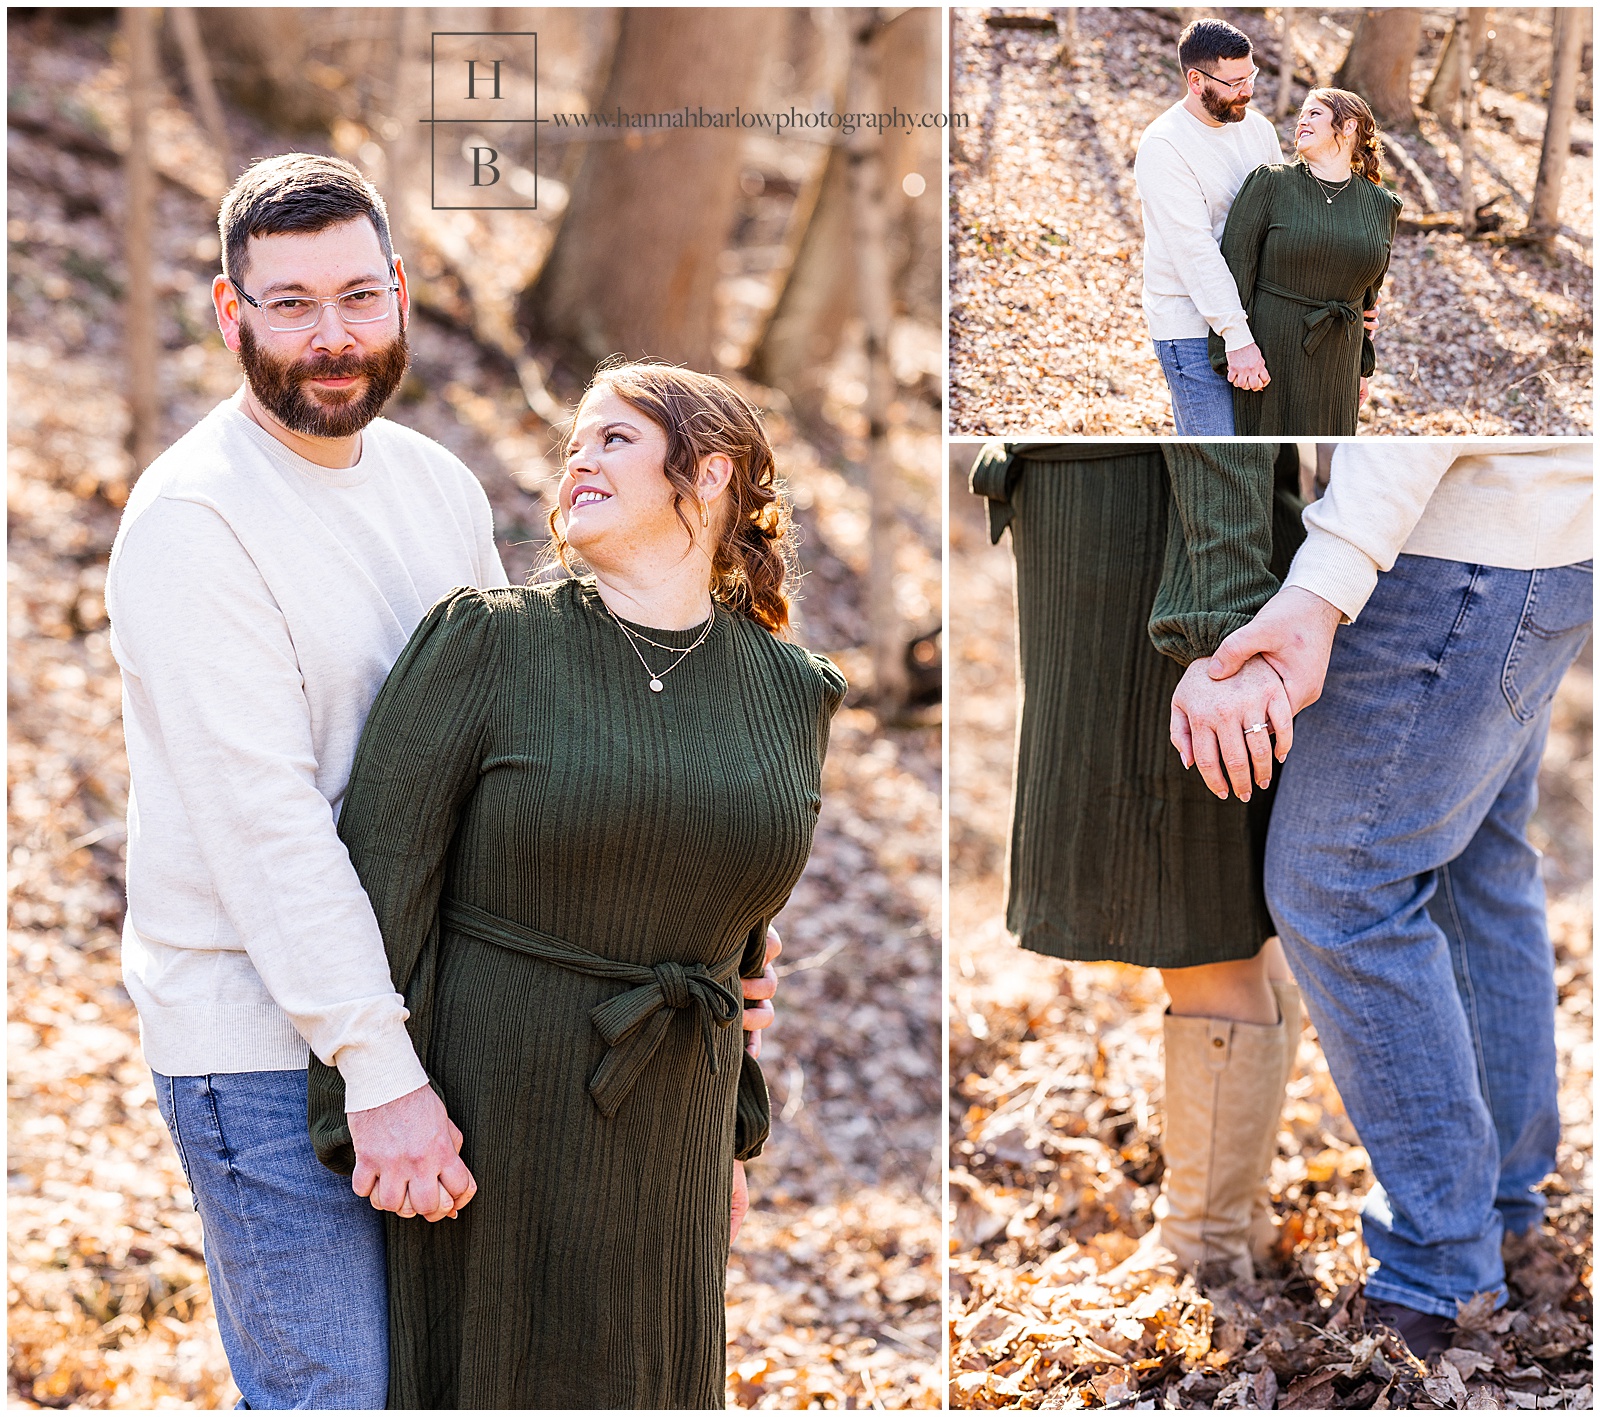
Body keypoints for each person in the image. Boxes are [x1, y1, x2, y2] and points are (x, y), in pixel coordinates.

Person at [105, 156, 779, 1409]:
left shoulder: (433, 486)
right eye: (290, 303)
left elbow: (525, 754)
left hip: (436, 1025)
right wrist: (381, 1073)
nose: (331, 338)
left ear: (403, 294)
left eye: (358, 297)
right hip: (261, 1036)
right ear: (227, 311)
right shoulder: (196, 521)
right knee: (340, 1395)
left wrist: (689, 939)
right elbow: (268, 834)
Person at [306, 362, 846, 1409]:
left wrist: (733, 1131)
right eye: (573, 445)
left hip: (674, 1123)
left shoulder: (792, 692)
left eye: (612, 439)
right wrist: (366, 1103)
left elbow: (737, 931)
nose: (578, 458)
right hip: (488, 1111)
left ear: (712, 471)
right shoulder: (489, 641)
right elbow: (380, 886)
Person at [1194, 443, 1592, 1358]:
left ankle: (1443, 1266)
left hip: (1450, 556)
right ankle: (1503, 1202)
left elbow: (1423, 404)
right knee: (1475, 862)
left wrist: (1323, 579)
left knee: (1340, 883)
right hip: (1550, 535)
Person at [969, 442, 1307, 1283]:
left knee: (1200, 915)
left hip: (1155, 551)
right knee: (1215, 907)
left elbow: (1203, 419)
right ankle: (1237, 1217)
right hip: (1122, 544)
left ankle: (1206, 1243)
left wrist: (1217, 616)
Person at [1208, 90, 1402, 434]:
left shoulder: (1382, 205)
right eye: (1302, 114)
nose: (1302, 120)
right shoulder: (1271, 183)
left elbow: (1368, 296)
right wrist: (1233, 351)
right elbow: (1234, 271)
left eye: (1314, 113)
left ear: (1348, 125)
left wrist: (1361, 368)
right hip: (1269, 355)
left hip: (1339, 363)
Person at [1134, 18, 1283, 435]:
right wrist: (1236, 337)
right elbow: (1194, 251)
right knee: (1218, 453)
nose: (1247, 91)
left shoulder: (1258, 130)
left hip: (1257, 316)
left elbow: (1285, 223)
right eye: (1234, 82)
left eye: (1250, 76)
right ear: (1196, 80)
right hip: (1192, 331)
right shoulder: (1164, 146)